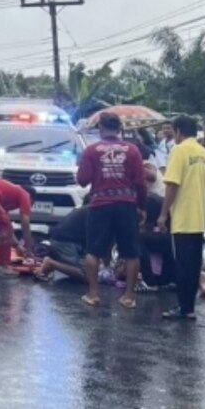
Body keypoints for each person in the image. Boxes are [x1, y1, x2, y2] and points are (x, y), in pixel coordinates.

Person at [76, 112, 148, 309]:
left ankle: (93, 294)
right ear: (119, 129)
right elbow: (140, 183)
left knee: (94, 250)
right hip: (126, 204)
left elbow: (82, 180)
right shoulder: (132, 150)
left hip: (100, 204)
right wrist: (142, 207)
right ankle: (129, 297)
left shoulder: (91, 151)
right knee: (131, 252)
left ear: (101, 129)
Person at [156, 115, 205, 321]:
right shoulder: (204, 153)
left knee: (182, 265)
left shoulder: (179, 151)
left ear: (179, 131)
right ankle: (189, 308)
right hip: (199, 217)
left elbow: (172, 184)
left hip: (182, 218)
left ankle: (184, 308)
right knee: (193, 265)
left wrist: (163, 215)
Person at [35, 204, 89, 283]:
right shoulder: (94, 211)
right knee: (88, 276)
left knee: (88, 268)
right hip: (65, 242)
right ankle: (51, 263)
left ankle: (53, 264)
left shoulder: (84, 209)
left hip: (62, 239)